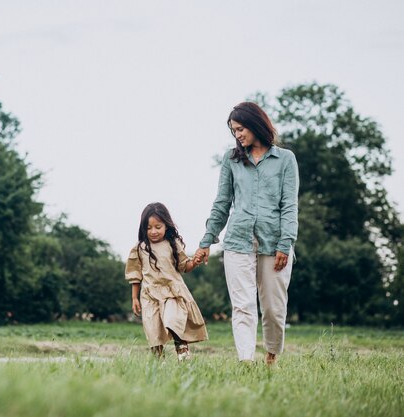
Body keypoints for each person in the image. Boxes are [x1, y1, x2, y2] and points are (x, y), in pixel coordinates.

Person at [196, 102, 299, 365]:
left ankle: (271, 358)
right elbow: (222, 202)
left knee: (274, 309)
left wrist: (285, 243)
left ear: (256, 124)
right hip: (237, 241)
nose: (237, 135)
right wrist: (207, 240)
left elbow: (289, 205)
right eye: (233, 131)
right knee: (242, 306)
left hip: (274, 243)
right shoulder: (231, 160)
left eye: (240, 129)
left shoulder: (285, 159)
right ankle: (246, 361)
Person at [125, 202, 208, 361]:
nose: (153, 231)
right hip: (150, 296)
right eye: (149, 228)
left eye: (158, 227)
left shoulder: (173, 243)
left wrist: (195, 261)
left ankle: (183, 353)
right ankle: (158, 362)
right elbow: (135, 275)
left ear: (166, 226)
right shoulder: (140, 248)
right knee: (153, 330)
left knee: (173, 321)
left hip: (172, 293)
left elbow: (185, 266)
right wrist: (135, 298)